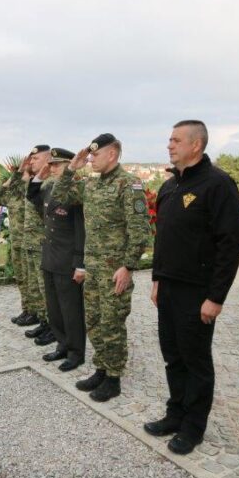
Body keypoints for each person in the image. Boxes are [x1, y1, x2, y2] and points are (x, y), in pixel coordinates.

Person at [144, 120, 239, 456]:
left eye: (175, 140)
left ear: (196, 145)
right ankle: (175, 414)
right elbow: (163, 239)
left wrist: (215, 297)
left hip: (197, 291)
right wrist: (157, 278)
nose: (169, 145)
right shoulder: (170, 186)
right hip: (169, 287)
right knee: (172, 356)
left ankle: (193, 427)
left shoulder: (218, 184)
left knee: (195, 360)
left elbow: (230, 245)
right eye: (169, 139)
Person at [52, 133, 149, 402]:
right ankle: (101, 369)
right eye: (90, 155)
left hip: (115, 271)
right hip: (93, 269)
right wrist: (73, 167)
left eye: (96, 154)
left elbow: (141, 232)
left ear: (113, 155)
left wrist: (128, 266)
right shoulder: (91, 186)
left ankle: (114, 378)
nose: (91, 158)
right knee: (94, 321)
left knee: (112, 324)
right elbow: (59, 195)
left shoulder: (129, 185)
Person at [29, 148, 86, 372]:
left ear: (69, 165)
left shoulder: (77, 190)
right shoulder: (51, 187)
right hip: (50, 257)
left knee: (71, 310)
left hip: (67, 259)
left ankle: (76, 352)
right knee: (54, 308)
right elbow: (32, 197)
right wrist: (38, 176)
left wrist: (80, 263)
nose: (51, 168)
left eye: (56, 165)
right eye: (50, 164)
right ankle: (62, 344)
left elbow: (81, 228)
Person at [20, 146, 54, 344]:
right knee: (38, 288)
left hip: (43, 244)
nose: (31, 161)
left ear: (48, 160)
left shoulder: (50, 184)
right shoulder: (35, 183)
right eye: (31, 159)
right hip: (31, 243)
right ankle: (44, 321)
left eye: (36, 158)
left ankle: (52, 325)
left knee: (45, 289)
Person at [0, 157, 31, 324]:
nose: (22, 175)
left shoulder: (34, 190)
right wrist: (14, 177)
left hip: (31, 243)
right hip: (17, 243)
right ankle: (27, 310)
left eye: (25, 172)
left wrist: (24, 175)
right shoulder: (14, 195)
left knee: (34, 283)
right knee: (21, 279)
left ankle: (40, 316)